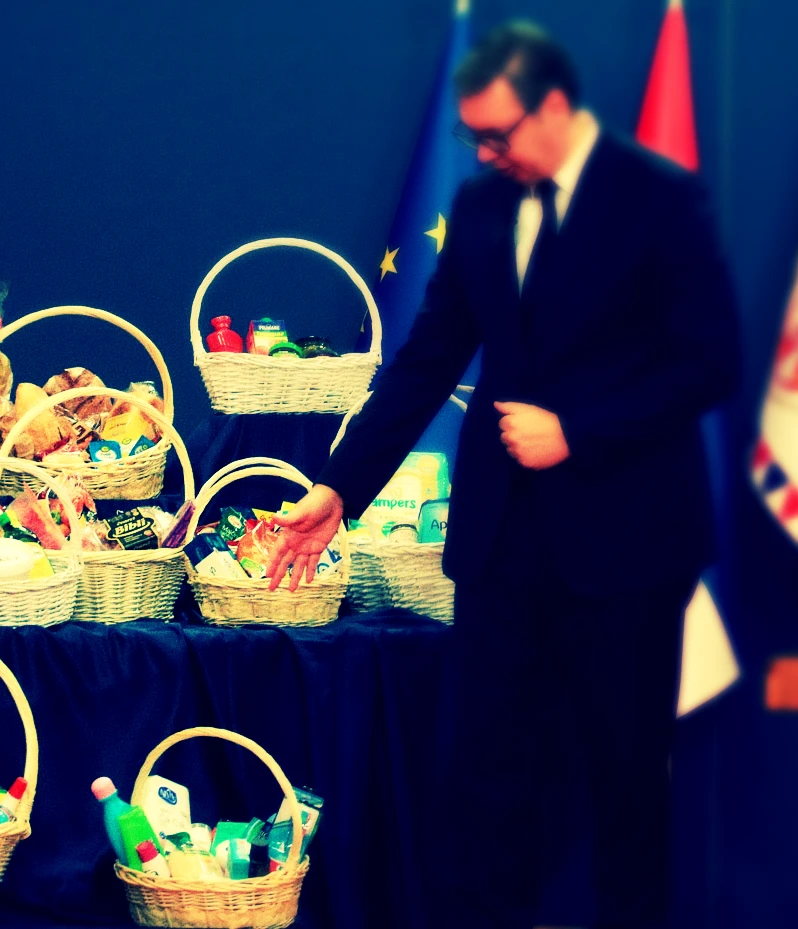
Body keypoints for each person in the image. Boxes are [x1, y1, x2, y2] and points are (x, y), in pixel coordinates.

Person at [265, 20, 739, 929]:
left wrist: (579, 432)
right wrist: (339, 487)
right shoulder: (482, 205)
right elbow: (427, 358)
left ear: (554, 107)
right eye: (473, 136)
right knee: (482, 794)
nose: (483, 153)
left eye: (498, 134)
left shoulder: (658, 198)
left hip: (628, 550)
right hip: (501, 547)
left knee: (625, 793)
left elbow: (708, 361)